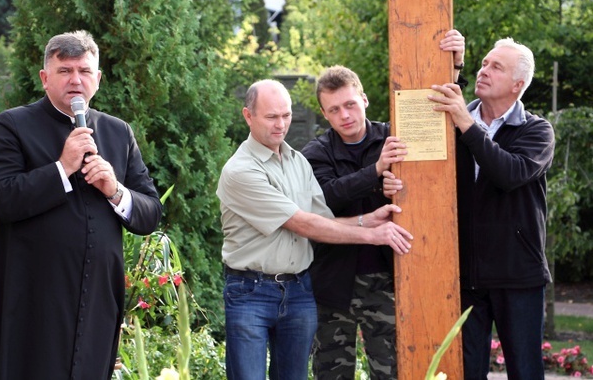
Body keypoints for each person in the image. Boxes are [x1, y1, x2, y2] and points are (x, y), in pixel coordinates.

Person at [0, 31, 163, 379]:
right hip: (31, 297)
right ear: (45, 78)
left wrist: (115, 190)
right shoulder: (13, 126)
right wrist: (62, 168)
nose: (75, 80)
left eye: (84, 70)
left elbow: (150, 214)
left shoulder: (118, 132)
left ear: (97, 79)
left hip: (96, 297)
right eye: (65, 71)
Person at [216, 79, 414, 380]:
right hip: (252, 292)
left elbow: (321, 217)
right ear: (248, 116)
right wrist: (372, 234)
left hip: (299, 291)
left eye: (286, 115)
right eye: (271, 117)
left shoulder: (296, 161)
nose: (280, 124)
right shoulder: (241, 171)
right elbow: (302, 223)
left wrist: (367, 219)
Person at [301, 30, 465, 380]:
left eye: (349, 104)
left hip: (388, 278)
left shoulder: (396, 135)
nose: (344, 114)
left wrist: (455, 67)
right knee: (330, 373)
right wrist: (376, 172)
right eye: (334, 109)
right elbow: (325, 197)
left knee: (391, 371)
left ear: (364, 99)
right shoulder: (315, 152)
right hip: (333, 280)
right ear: (324, 113)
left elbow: (438, 137)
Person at [428, 37, 555, 379]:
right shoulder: (449, 124)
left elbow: (509, 173)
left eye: (496, 67)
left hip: (518, 274)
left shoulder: (537, 131)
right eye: (483, 63)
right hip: (465, 274)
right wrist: (453, 67)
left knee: (525, 371)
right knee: (466, 372)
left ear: (518, 85)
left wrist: (466, 125)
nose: (484, 70)